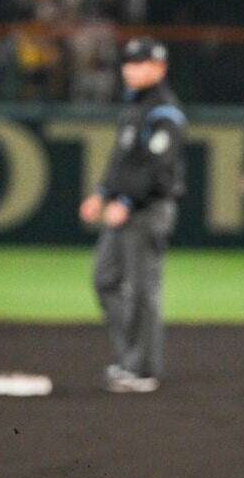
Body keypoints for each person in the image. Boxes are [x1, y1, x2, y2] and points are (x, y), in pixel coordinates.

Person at [78, 35, 186, 394]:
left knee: (142, 290)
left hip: (149, 209)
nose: (131, 69)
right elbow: (122, 160)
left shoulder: (164, 111)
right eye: (129, 62)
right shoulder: (134, 106)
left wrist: (125, 200)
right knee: (105, 279)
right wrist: (102, 193)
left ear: (160, 68)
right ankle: (128, 359)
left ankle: (143, 369)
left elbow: (159, 167)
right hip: (125, 207)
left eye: (141, 63)